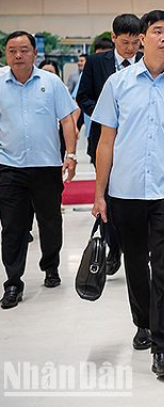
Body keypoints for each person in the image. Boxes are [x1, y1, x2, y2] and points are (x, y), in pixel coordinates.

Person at [91, 10, 164, 378]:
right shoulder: (118, 84)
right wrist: (99, 193)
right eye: (158, 31)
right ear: (142, 38)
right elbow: (105, 142)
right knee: (136, 263)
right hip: (125, 190)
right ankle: (142, 321)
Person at [0, 31, 79, 309]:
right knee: (12, 226)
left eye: (24, 50)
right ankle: (13, 282)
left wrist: (71, 155)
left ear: (35, 53)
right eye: (12, 50)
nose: (18, 55)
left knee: (50, 222)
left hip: (47, 165)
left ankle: (51, 265)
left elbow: (67, 120)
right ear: (6, 54)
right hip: (10, 167)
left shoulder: (51, 82)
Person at [76, 13, 144, 276]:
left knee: (136, 197)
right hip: (104, 141)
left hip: (138, 143)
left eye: (135, 43)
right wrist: (108, 115)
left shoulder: (147, 61)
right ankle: (113, 248)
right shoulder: (96, 62)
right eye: (125, 42)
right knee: (108, 196)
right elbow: (83, 97)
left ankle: (138, 246)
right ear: (113, 37)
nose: (130, 48)